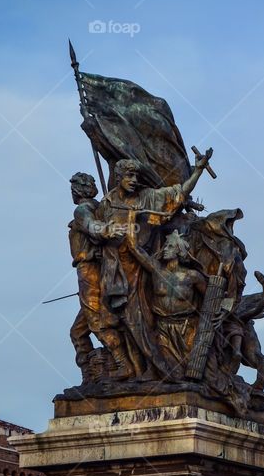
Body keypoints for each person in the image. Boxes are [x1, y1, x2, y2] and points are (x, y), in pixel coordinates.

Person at [98, 153, 212, 381]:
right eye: (129, 175)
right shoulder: (107, 203)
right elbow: (96, 230)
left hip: (142, 267)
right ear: (118, 176)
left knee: (137, 320)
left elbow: (176, 193)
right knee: (110, 319)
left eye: (136, 176)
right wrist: (103, 230)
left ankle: (159, 370)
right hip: (112, 269)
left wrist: (198, 171)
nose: (133, 180)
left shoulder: (146, 198)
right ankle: (134, 368)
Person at [67, 173, 126, 381]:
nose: (72, 192)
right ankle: (90, 375)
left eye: (74, 188)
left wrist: (109, 230)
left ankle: (122, 363)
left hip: (89, 271)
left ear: (78, 191)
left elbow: (94, 228)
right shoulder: (100, 208)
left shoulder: (83, 210)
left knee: (96, 321)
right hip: (96, 270)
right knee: (77, 331)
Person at [130, 230, 208, 376]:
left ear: (179, 250)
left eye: (170, 246)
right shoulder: (156, 270)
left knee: (189, 371)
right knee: (171, 371)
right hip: (163, 327)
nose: (165, 249)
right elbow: (134, 248)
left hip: (187, 328)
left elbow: (209, 299)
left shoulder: (193, 276)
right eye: (165, 246)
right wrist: (130, 219)